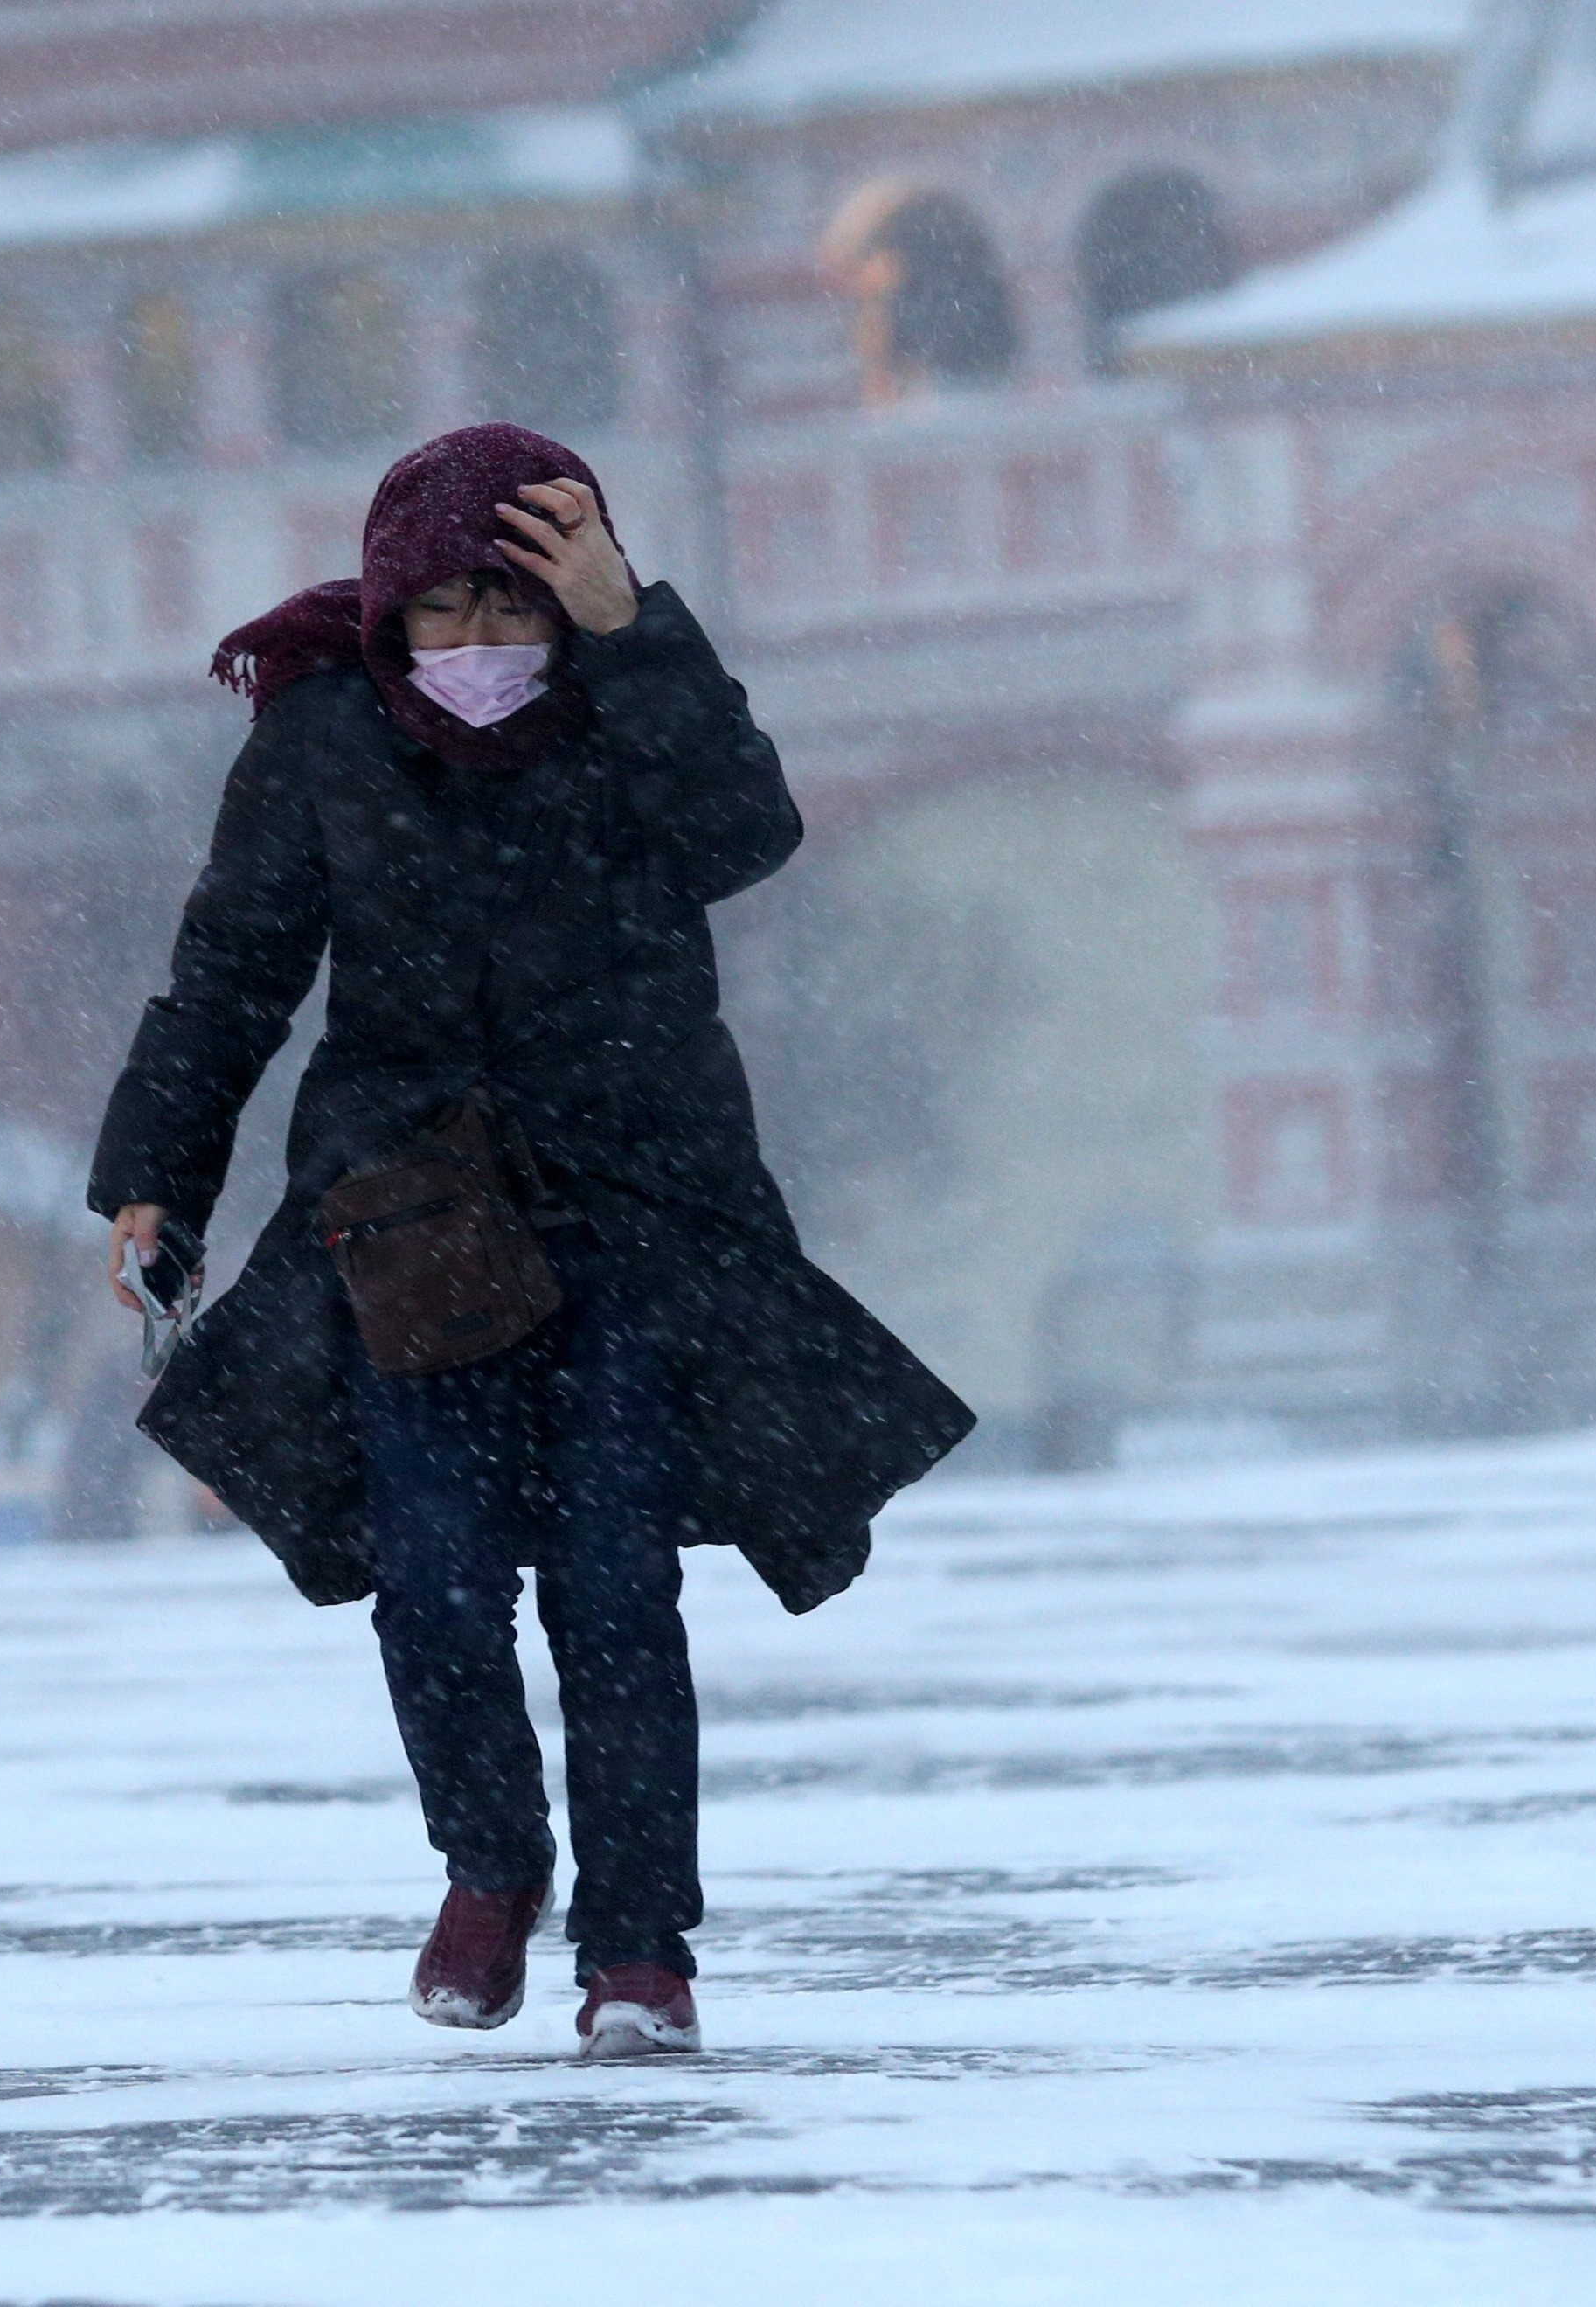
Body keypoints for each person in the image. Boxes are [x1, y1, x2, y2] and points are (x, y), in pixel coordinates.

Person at [87, 423, 972, 2059]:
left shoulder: (628, 714)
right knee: (429, 1581)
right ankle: (490, 1870)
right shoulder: (322, 742)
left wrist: (635, 631)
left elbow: (744, 834)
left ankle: (638, 1948)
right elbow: (228, 976)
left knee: (617, 1590)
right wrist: (158, 1180)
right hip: (410, 1226)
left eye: (518, 604)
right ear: (389, 614)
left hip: (629, 1214)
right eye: (448, 611)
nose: (485, 644)